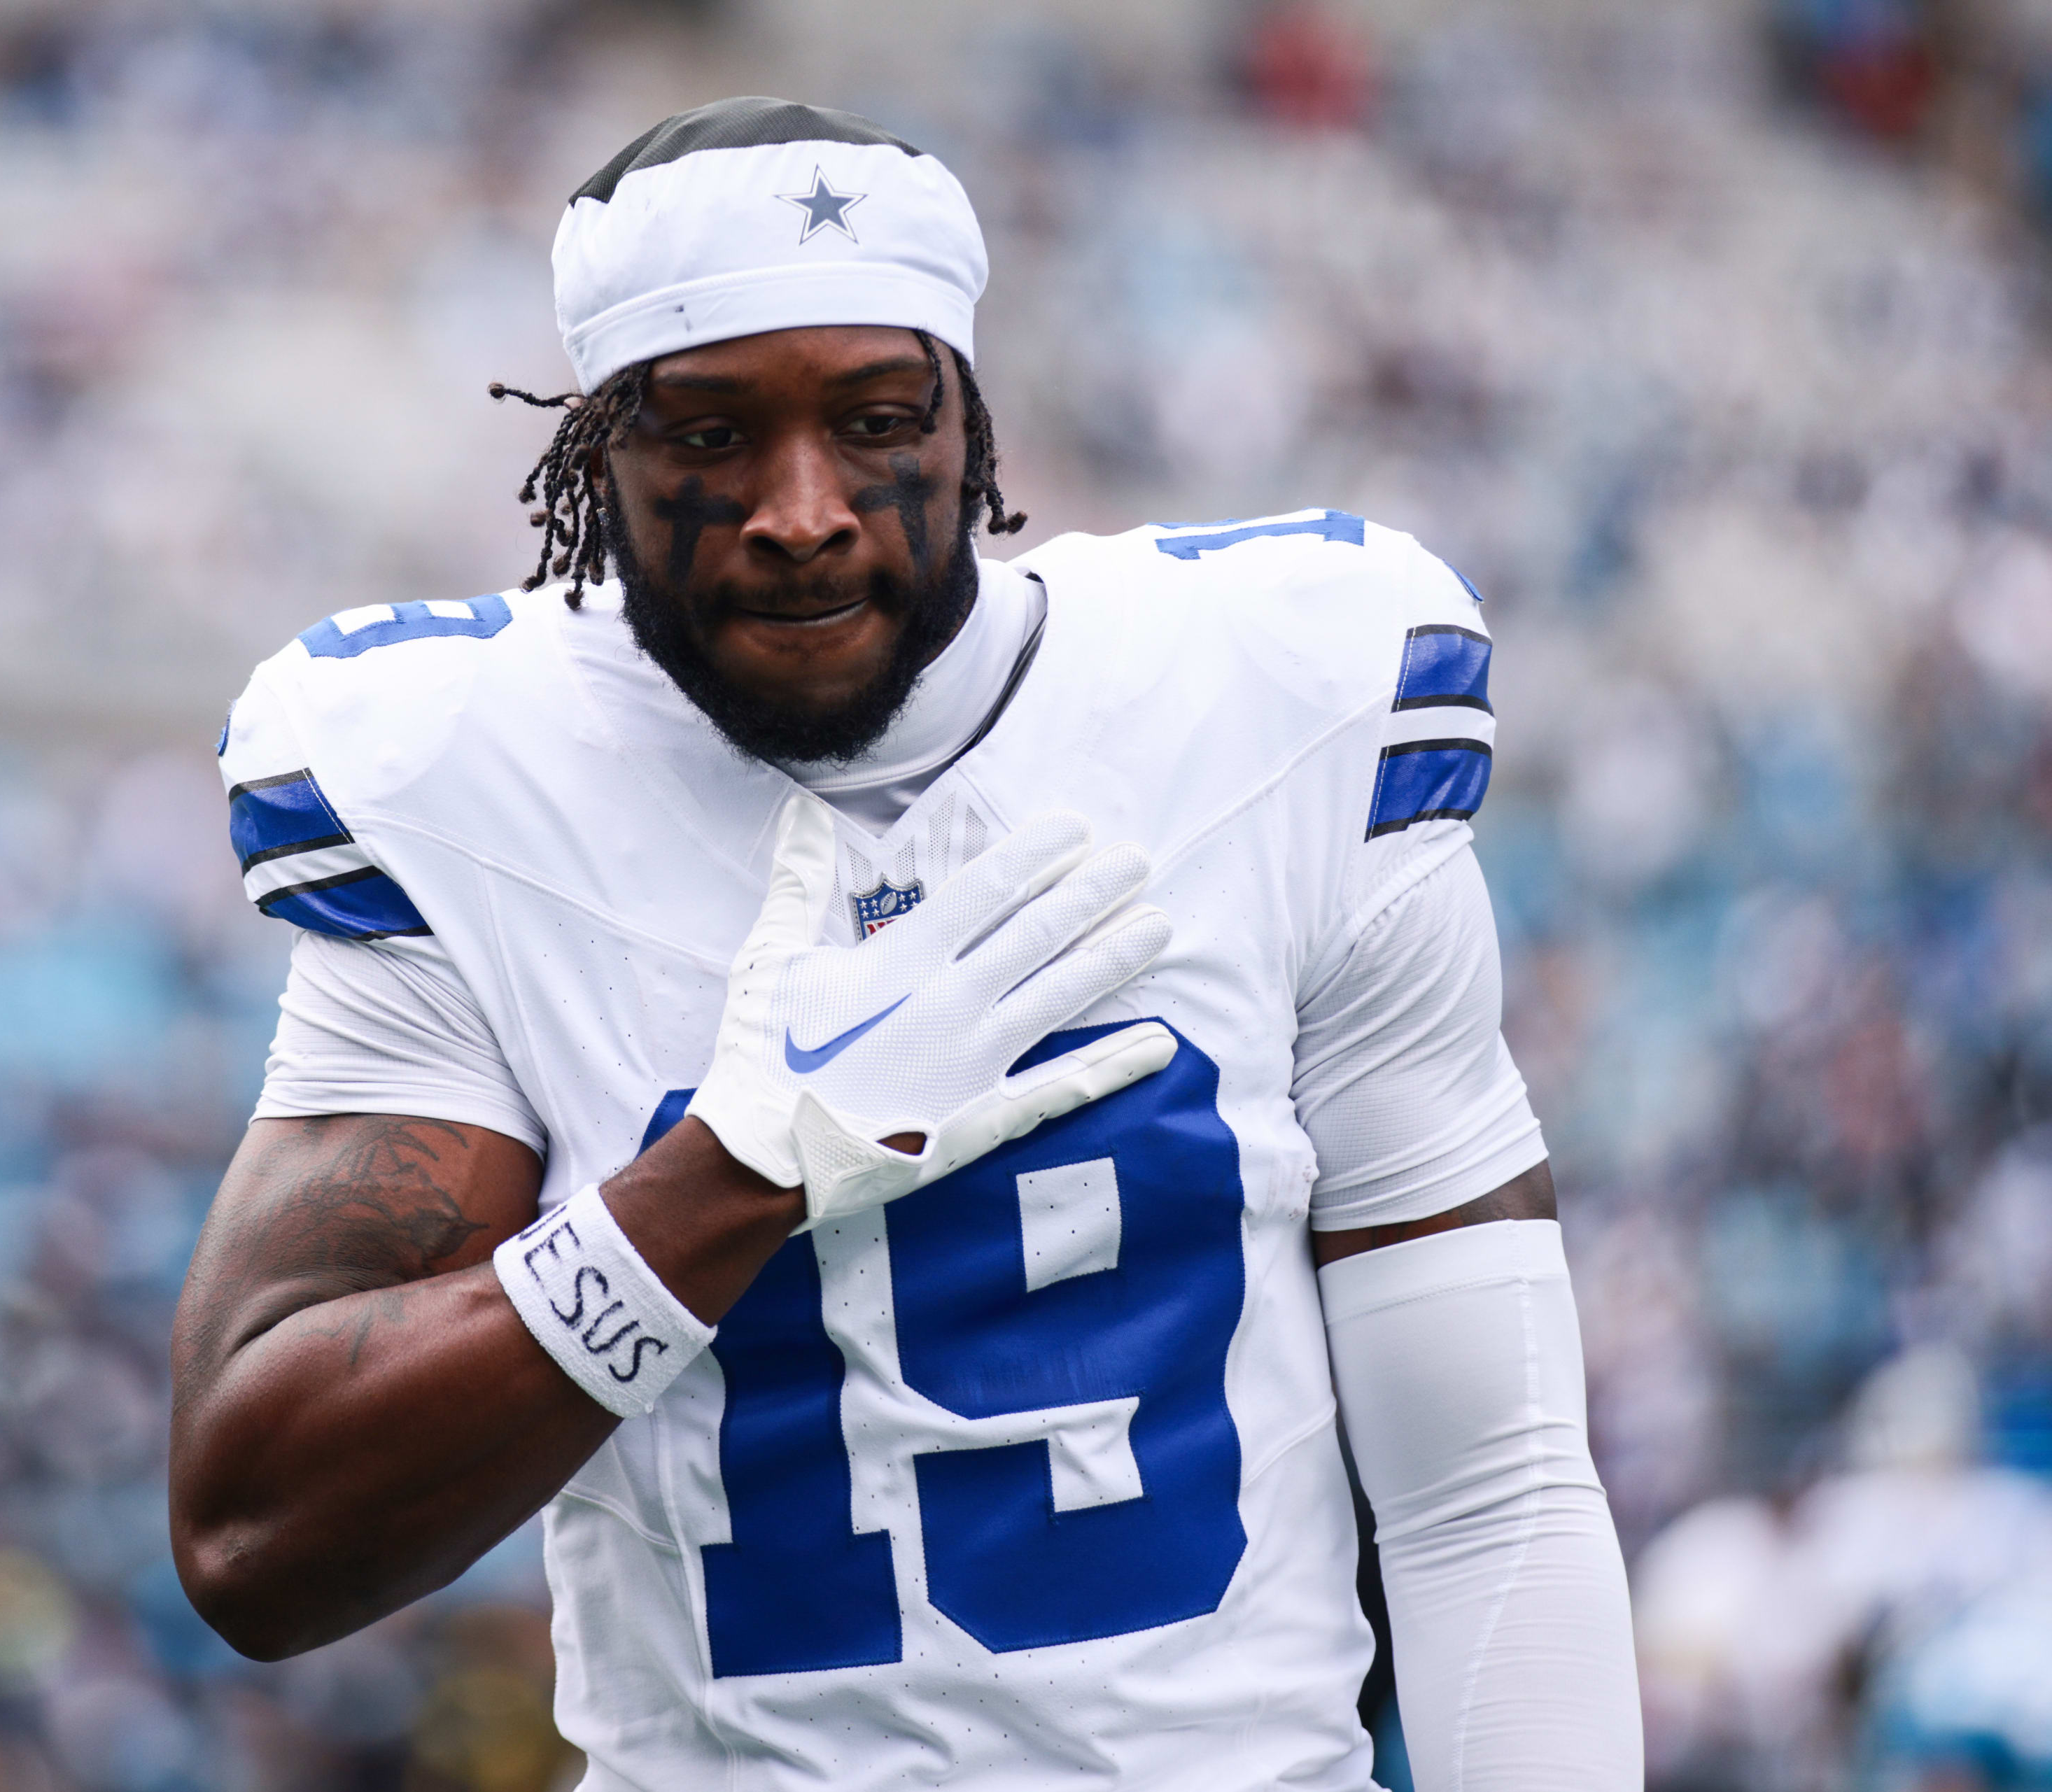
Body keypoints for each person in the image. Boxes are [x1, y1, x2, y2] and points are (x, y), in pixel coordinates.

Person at [170, 97, 1642, 1791]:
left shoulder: (1282, 700)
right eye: (709, 435)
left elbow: (1490, 1481)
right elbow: (253, 1540)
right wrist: (732, 1179)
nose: (802, 510)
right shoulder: (462, 779)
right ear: (595, 453)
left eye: (876, 418)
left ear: (971, 422)